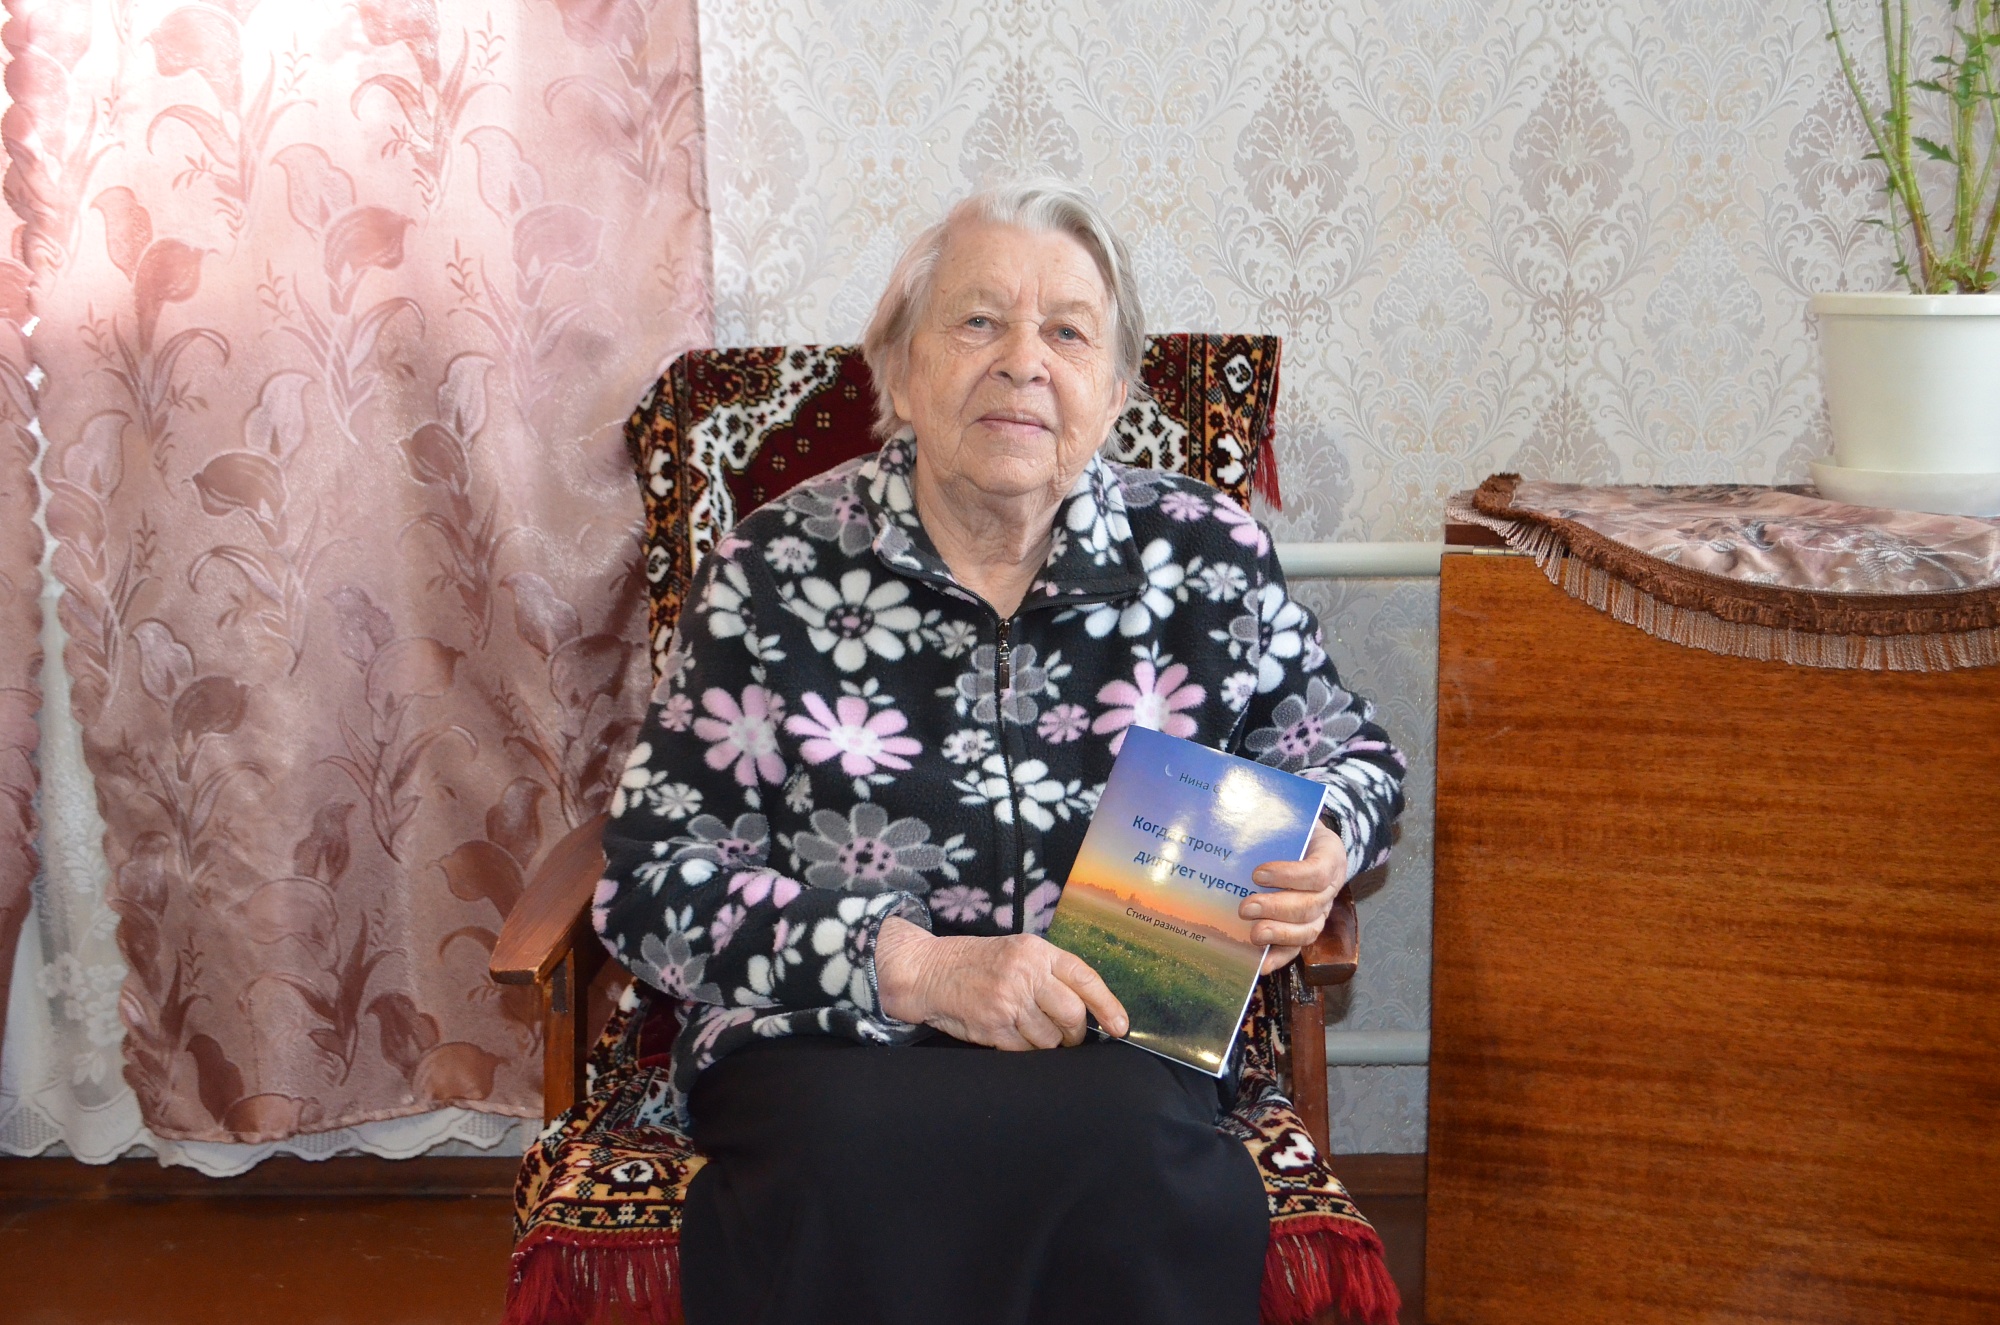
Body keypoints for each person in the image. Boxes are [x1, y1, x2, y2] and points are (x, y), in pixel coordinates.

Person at [593, 181, 1405, 1325]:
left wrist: (1322, 840)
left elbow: (1350, 750)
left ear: (1113, 393)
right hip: (831, 1033)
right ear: (899, 370)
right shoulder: (771, 569)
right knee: (845, 1157)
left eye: (1066, 332)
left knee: (1132, 1151)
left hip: (1113, 1028)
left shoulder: (1201, 554)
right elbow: (650, 883)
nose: (1022, 360)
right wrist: (914, 965)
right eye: (977, 320)